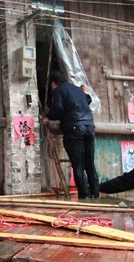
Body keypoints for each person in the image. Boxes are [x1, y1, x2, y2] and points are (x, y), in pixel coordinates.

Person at [42, 71, 99, 199]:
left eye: (51, 85)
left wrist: (48, 117)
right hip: (89, 127)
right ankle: (96, 195)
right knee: (90, 164)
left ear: (53, 83)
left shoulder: (58, 90)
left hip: (74, 128)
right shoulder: (77, 90)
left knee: (78, 164)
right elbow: (88, 100)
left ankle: (84, 197)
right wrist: (84, 91)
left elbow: (58, 108)